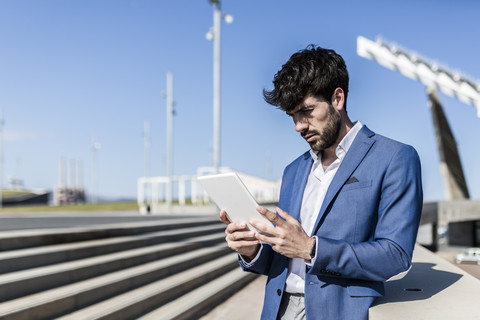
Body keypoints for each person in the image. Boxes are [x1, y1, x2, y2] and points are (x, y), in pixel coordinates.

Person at [219, 45, 423, 320]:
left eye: (307, 111)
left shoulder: (395, 157)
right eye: (292, 116)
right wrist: (252, 250)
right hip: (277, 311)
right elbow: (285, 257)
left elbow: (395, 254)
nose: (298, 126)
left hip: (337, 312)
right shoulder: (294, 170)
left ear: (338, 98)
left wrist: (312, 249)